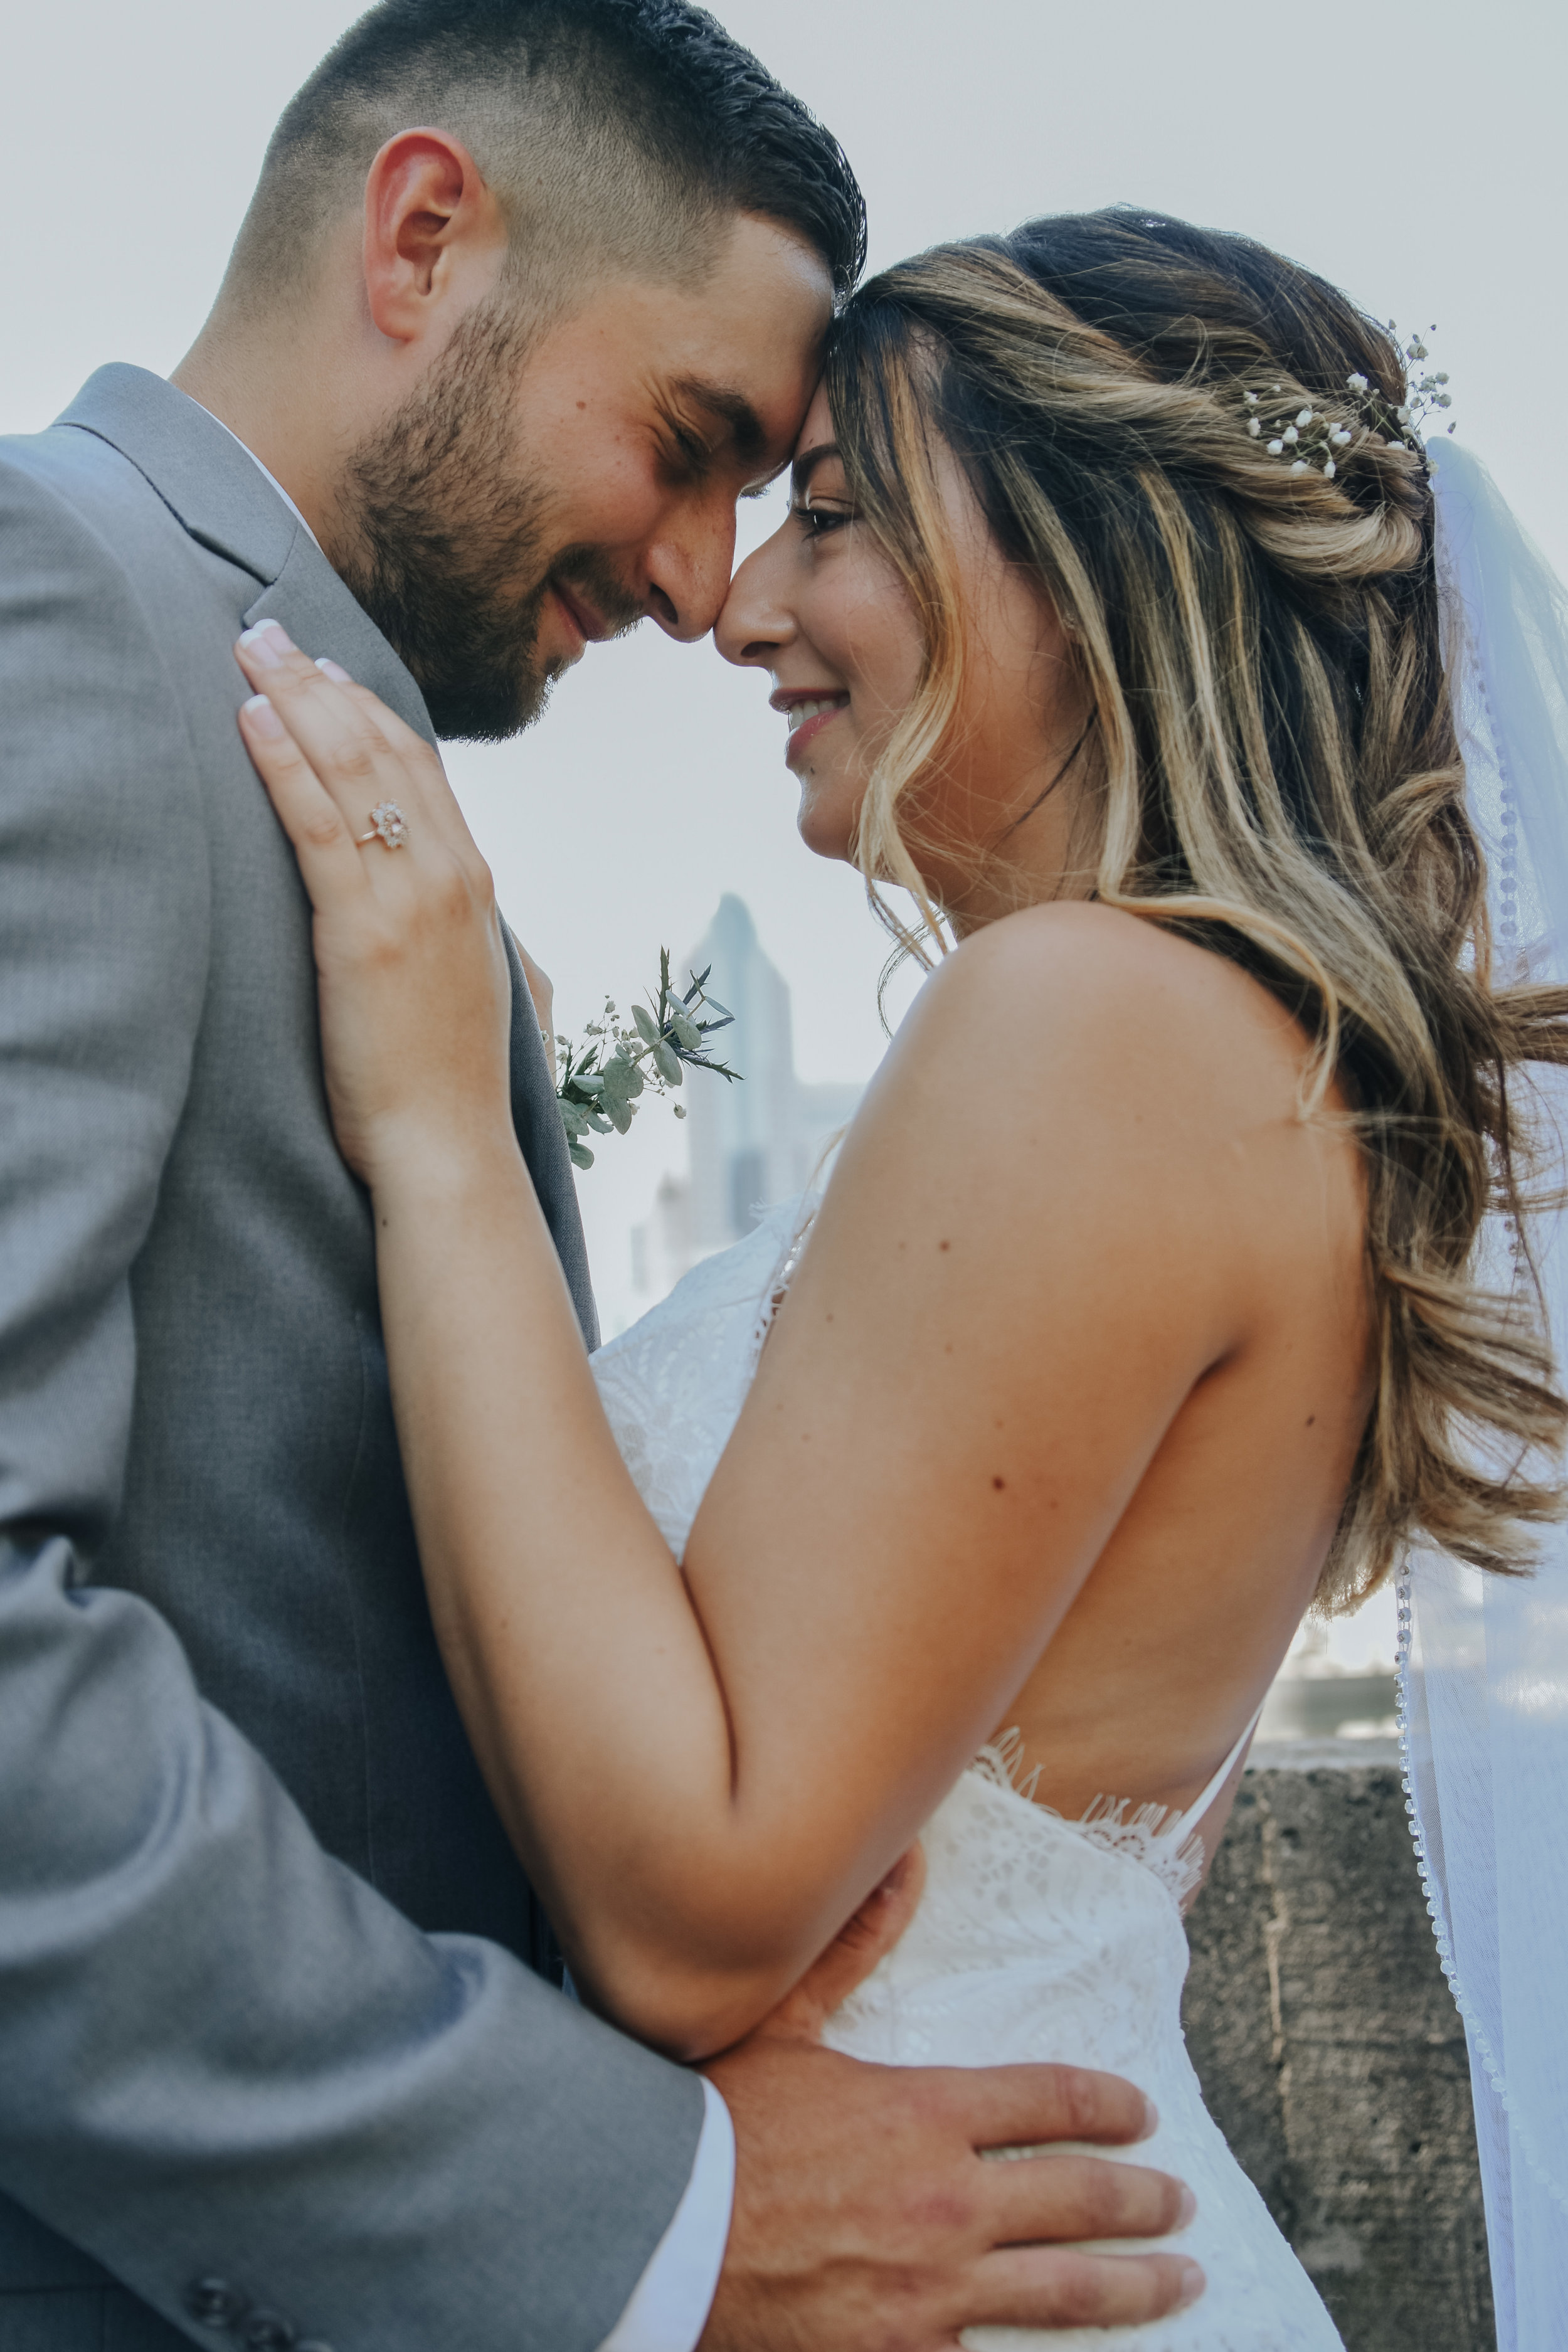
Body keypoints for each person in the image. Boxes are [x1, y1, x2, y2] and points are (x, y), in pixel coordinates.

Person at [238, 206, 1568, 2347]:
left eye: (836, 516)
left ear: (1097, 564)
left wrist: (437, 1123)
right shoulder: (1228, 1057)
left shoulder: (1096, 1024)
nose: (745, 602)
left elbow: (692, 1914)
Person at [0, 9, 1196, 2350]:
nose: (696, 584)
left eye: (774, 502)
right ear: (426, 233)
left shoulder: (275, 727)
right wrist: (625, 2213)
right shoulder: (58, 611)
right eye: (692, 447)